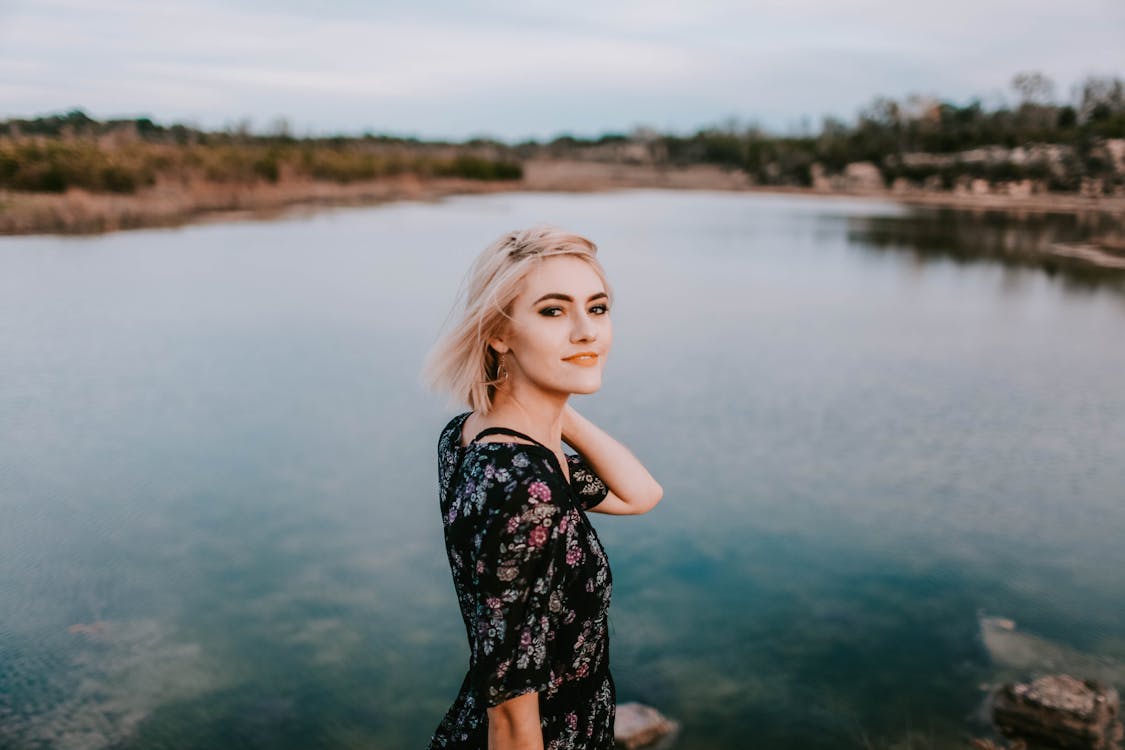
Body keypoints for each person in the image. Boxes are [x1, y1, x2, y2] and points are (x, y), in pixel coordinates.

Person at [421, 226, 664, 750]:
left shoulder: (478, 436)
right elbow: (510, 713)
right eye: (553, 311)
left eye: (597, 308)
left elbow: (640, 494)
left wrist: (556, 407)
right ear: (498, 333)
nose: (587, 332)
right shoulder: (524, 487)